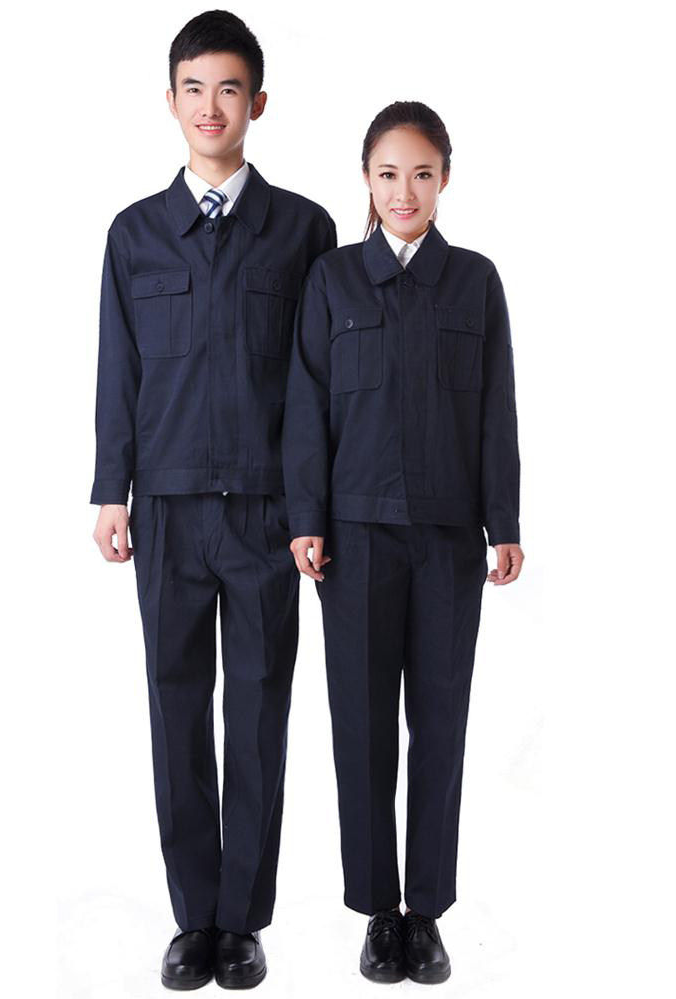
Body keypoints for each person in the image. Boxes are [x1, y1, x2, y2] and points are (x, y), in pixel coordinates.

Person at [89, 11, 336, 990]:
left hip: (271, 513)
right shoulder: (135, 234)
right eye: (194, 88)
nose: (210, 106)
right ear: (170, 101)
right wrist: (112, 491)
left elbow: (319, 385)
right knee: (177, 709)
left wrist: (313, 509)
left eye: (229, 88)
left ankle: (243, 921)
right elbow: (118, 369)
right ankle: (194, 917)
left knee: (261, 714)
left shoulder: (304, 230)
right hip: (168, 511)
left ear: (257, 103)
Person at [281, 100, 524, 985]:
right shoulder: (333, 280)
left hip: (450, 539)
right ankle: (378, 911)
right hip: (353, 541)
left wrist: (505, 522)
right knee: (362, 727)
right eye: (388, 174)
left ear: (445, 177)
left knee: (441, 724)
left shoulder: (475, 282)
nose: (405, 191)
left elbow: (496, 409)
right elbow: (305, 405)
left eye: (422, 173)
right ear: (366, 180)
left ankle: (426, 913)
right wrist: (306, 517)